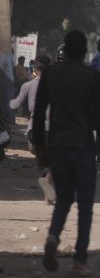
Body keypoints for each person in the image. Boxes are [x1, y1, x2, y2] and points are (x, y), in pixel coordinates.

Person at [32, 30, 100, 276]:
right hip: (83, 147)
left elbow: (38, 114)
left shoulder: (51, 74)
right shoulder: (92, 76)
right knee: (85, 205)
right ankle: (79, 259)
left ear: (65, 49)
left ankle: (54, 237)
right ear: (84, 50)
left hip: (57, 144)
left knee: (64, 199)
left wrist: (40, 149)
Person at [11, 55, 55, 202]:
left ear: (35, 69)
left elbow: (17, 104)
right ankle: (48, 178)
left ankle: (44, 177)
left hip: (33, 130)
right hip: (51, 129)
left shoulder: (28, 85)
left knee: (40, 157)